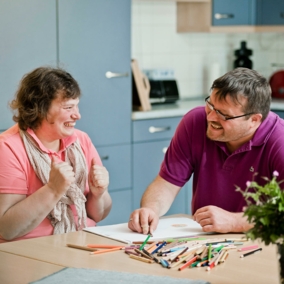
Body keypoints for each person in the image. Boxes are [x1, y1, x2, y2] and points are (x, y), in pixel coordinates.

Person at [128, 67, 284, 235]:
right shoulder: (194, 122)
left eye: (223, 114)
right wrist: (150, 210)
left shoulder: (279, 141)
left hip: (260, 241)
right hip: (206, 239)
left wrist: (234, 222)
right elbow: (166, 184)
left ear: (253, 120)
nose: (210, 117)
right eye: (210, 105)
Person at [0, 67, 112, 243]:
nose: (78, 115)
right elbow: (7, 229)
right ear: (40, 109)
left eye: (76, 106)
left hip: (82, 240)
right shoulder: (8, 147)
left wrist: (99, 194)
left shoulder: (81, 140)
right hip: (33, 250)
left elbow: (98, 215)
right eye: (68, 107)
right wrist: (52, 190)